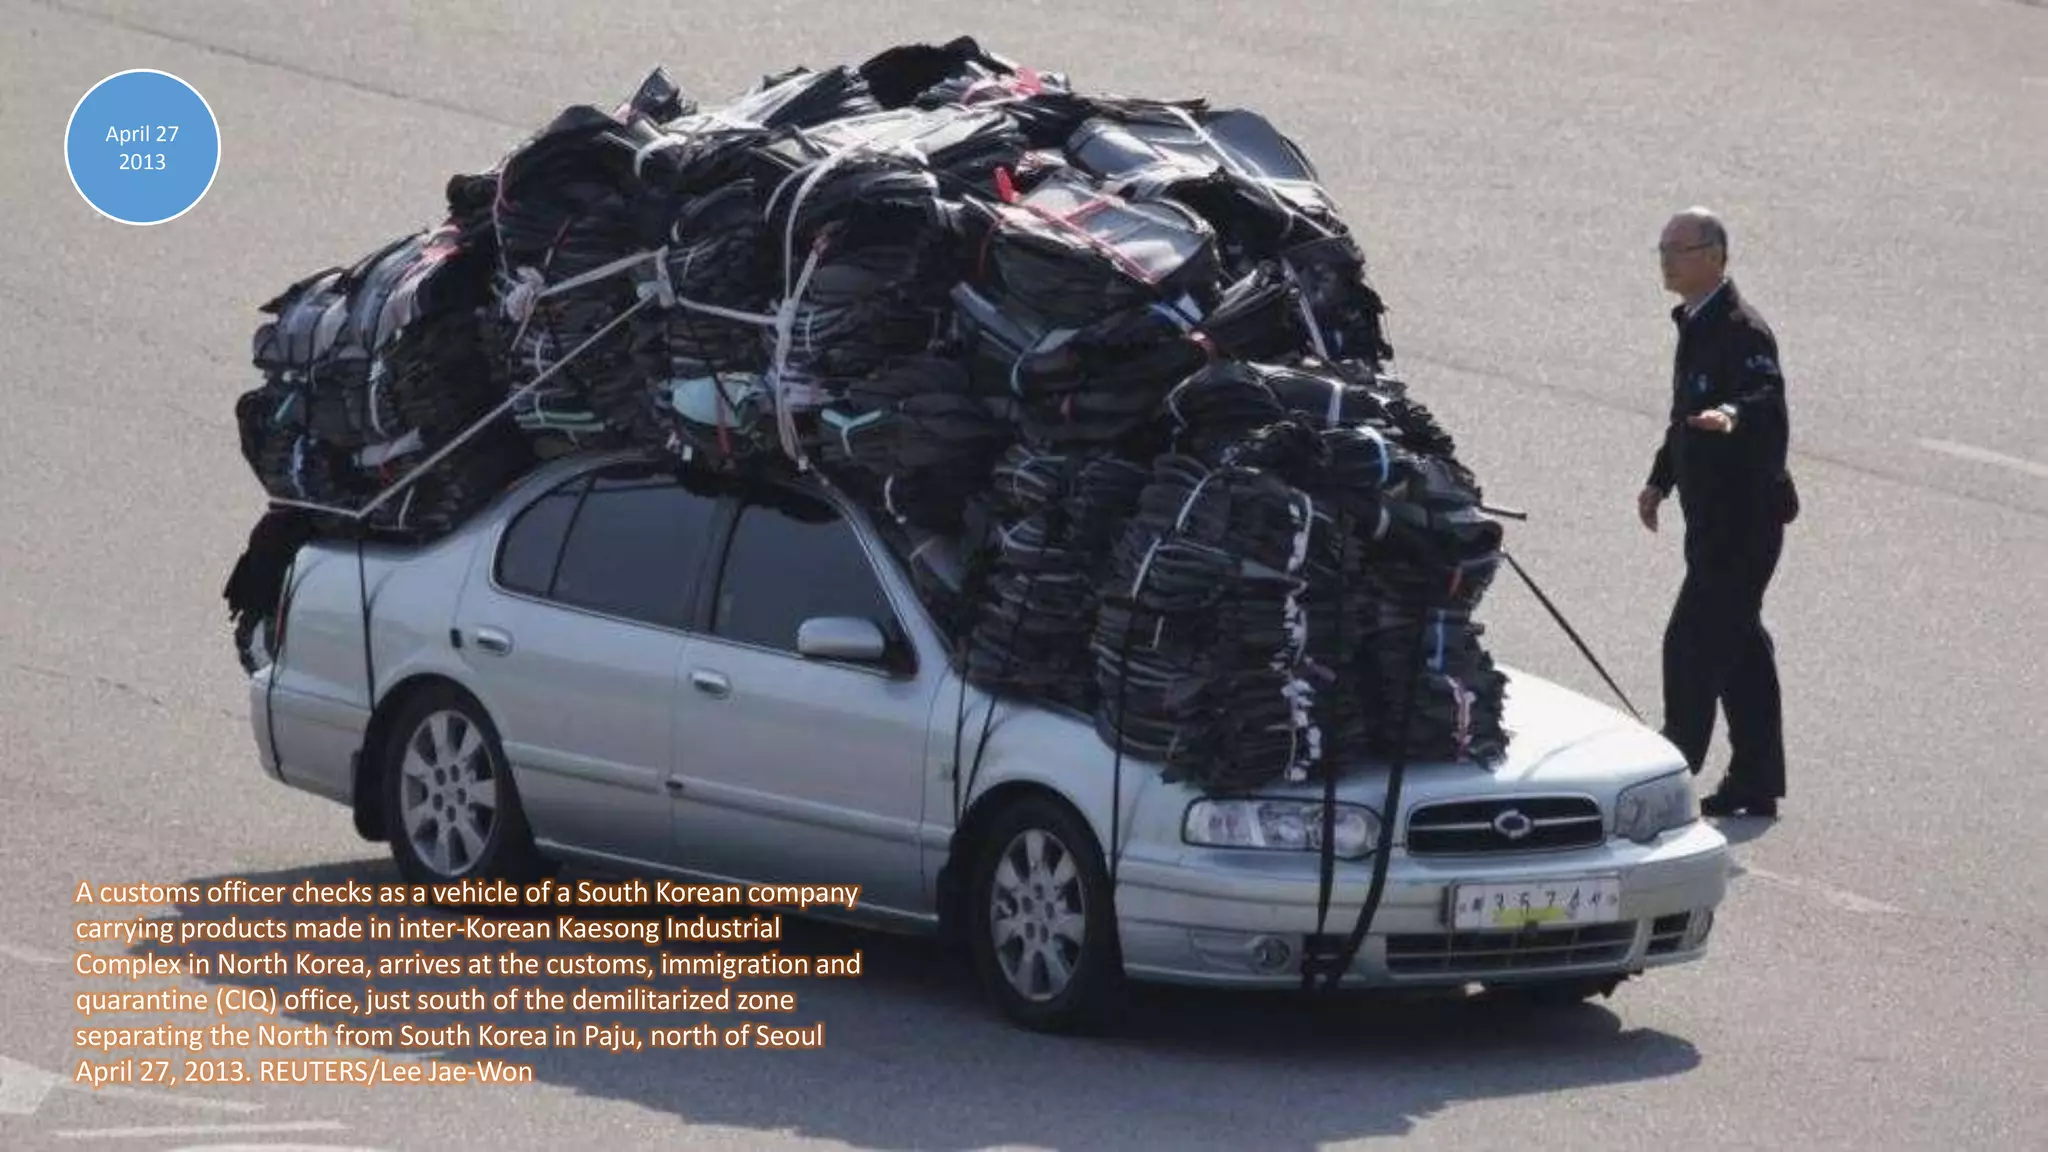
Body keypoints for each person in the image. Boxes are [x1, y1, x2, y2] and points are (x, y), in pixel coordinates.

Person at [1638, 207, 1795, 818]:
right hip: (1711, 521)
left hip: (1743, 524)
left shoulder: (1741, 329)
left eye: (1678, 249)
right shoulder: (1696, 324)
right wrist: (1660, 480)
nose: (1666, 259)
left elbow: (1763, 402)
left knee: (1692, 643)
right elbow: (1686, 413)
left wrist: (1734, 417)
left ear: (1715, 256)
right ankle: (1757, 779)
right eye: (1662, 248)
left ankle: (1670, 773)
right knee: (1741, 649)